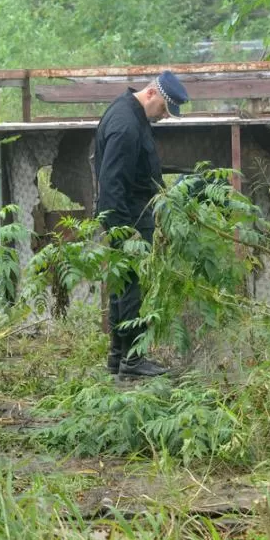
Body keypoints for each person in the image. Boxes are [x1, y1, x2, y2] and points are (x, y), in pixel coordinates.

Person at [94, 70, 189, 378]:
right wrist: (125, 230)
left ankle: (119, 357)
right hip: (127, 218)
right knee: (131, 289)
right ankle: (133, 360)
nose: (164, 116)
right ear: (151, 94)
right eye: (163, 108)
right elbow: (111, 183)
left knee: (123, 287)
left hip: (129, 215)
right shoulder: (125, 125)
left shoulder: (131, 114)